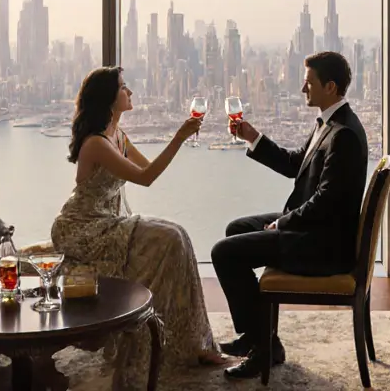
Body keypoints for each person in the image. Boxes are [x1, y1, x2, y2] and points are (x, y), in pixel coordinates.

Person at [51, 66, 226, 385]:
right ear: (108, 98)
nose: (130, 92)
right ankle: (174, 344)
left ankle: (193, 342)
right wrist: (179, 137)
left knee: (179, 235)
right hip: (83, 227)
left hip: (108, 220)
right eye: (123, 87)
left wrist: (180, 141)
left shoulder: (118, 136)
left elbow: (148, 169)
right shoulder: (97, 144)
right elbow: (146, 178)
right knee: (171, 239)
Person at [212, 51, 370, 380]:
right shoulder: (331, 123)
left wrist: (282, 223)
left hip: (324, 246)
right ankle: (262, 338)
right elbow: (294, 164)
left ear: (330, 86)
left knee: (224, 253)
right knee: (235, 229)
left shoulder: (344, 135)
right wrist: (252, 137)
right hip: (317, 229)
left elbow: (326, 201)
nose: (302, 88)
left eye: (308, 82)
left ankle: (261, 347)